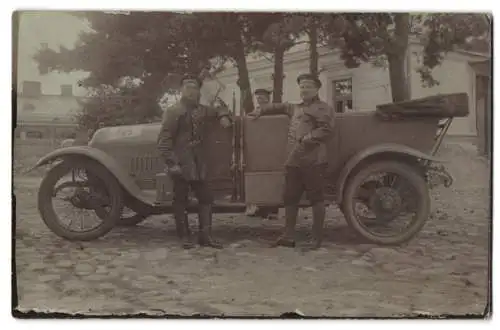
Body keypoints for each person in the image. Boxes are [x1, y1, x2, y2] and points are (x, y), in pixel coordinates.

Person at [248, 74, 334, 250]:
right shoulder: (295, 108)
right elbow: (277, 106)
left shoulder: (323, 108)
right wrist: (260, 110)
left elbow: (326, 130)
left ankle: (316, 239)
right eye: (302, 87)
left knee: (316, 198)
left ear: (317, 89)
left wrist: (307, 138)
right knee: (290, 197)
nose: (304, 90)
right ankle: (288, 235)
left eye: (308, 87)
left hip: (314, 159)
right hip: (294, 159)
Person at [157, 74, 232, 249]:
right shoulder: (173, 111)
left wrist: (223, 116)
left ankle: (205, 236)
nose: (191, 91)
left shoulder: (204, 110)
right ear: (181, 90)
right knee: (180, 199)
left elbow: (221, 108)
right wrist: (171, 163)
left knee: (206, 198)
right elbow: (164, 140)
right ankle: (184, 237)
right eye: (187, 87)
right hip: (181, 160)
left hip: (199, 162)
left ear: (199, 90)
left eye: (195, 87)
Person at [245, 88, 279, 220]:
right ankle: (261, 208)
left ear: (268, 98)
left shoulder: (274, 110)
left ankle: (273, 210)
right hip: (260, 147)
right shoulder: (255, 112)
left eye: (263, 97)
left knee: (272, 178)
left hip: (274, 147)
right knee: (261, 179)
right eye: (258, 98)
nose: (260, 100)